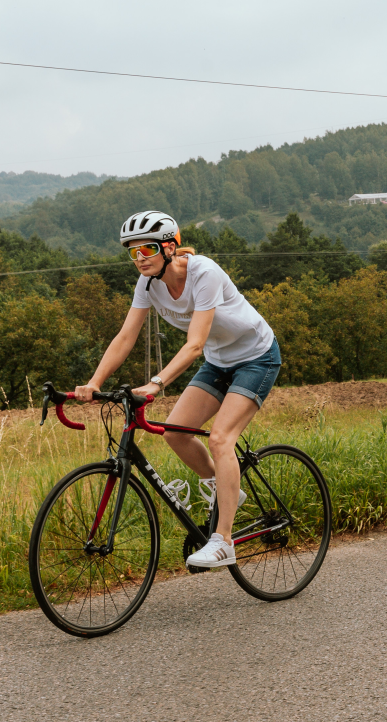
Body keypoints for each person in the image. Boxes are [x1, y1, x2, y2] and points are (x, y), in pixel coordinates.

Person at [73, 211, 281, 570]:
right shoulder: (148, 284)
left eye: (147, 249)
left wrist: (156, 383)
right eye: (134, 252)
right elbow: (126, 337)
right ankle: (223, 485)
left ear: (169, 246)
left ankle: (223, 541)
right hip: (219, 361)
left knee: (220, 439)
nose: (140, 259)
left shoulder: (204, 272)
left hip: (255, 357)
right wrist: (94, 382)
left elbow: (194, 344)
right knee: (174, 432)